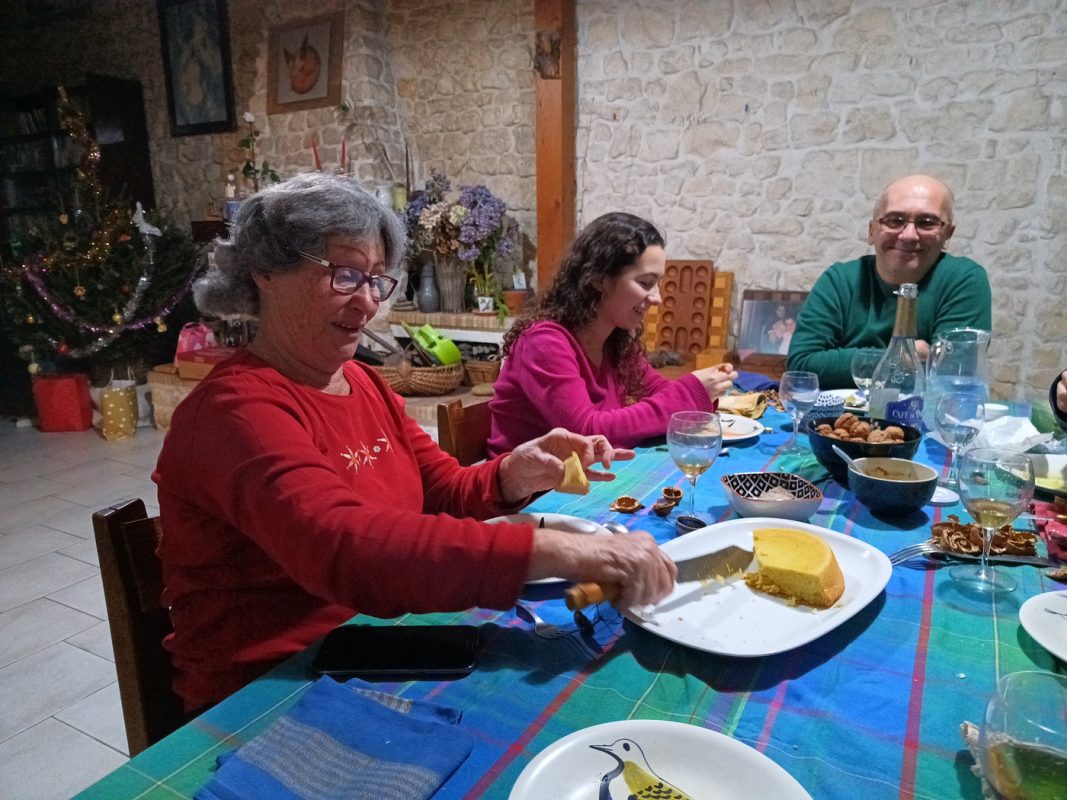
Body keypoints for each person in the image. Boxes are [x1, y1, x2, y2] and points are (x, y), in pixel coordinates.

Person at [153, 175, 676, 714]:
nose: (366, 303)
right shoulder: (232, 412)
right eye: (345, 274)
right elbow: (346, 549)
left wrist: (511, 474)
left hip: (372, 642)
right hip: (268, 691)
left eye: (377, 281)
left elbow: (441, 488)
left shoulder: (365, 383)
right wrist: (567, 551)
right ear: (265, 270)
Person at [487, 212, 737, 457]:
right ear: (599, 280)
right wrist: (689, 394)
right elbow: (587, 432)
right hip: (536, 494)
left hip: (584, 478)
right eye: (645, 283)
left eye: (657, 284)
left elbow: (660, 391)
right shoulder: (543, 342)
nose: (657, 299)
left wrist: (701, 393)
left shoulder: (614, 340)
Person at [787, 174, 992, 389]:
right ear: (872, 231)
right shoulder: (839, 279)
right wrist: (906, 358)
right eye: (895, 221)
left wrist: (850, 362)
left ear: (947, 234)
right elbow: (800, 367)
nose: (909, 235)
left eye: (927, 223)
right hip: (835, 420)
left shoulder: (964, 279)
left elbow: (953, 376)